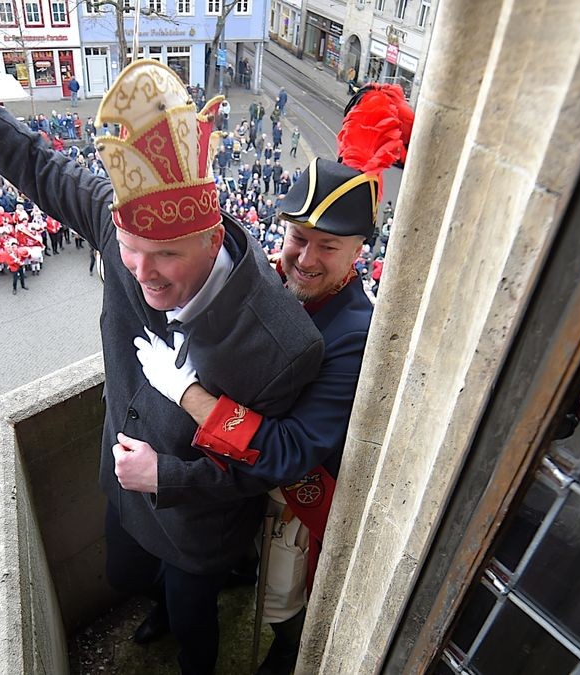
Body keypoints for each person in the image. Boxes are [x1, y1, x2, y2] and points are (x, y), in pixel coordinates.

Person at [0, 5, 324, 673]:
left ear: (208, 231)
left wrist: (165, 473)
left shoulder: (284, 341)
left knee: (196, 630)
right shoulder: (121, 236)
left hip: (198, 523)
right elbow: (27, 157)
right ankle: (159, 607)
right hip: (120, 479)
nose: (142, 275)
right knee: (129, 574)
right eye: (130, 252)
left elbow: (262, 466)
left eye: (163, 256)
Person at [137, 84, 413, 675]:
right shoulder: (273, 275)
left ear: (360, 251)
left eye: (328, 247)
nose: (306, 259)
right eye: (298, 239)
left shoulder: (354, 335)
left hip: (298, 494)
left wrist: (186, 392)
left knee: (285, 606)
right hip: (233, 476)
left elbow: (288, 451)